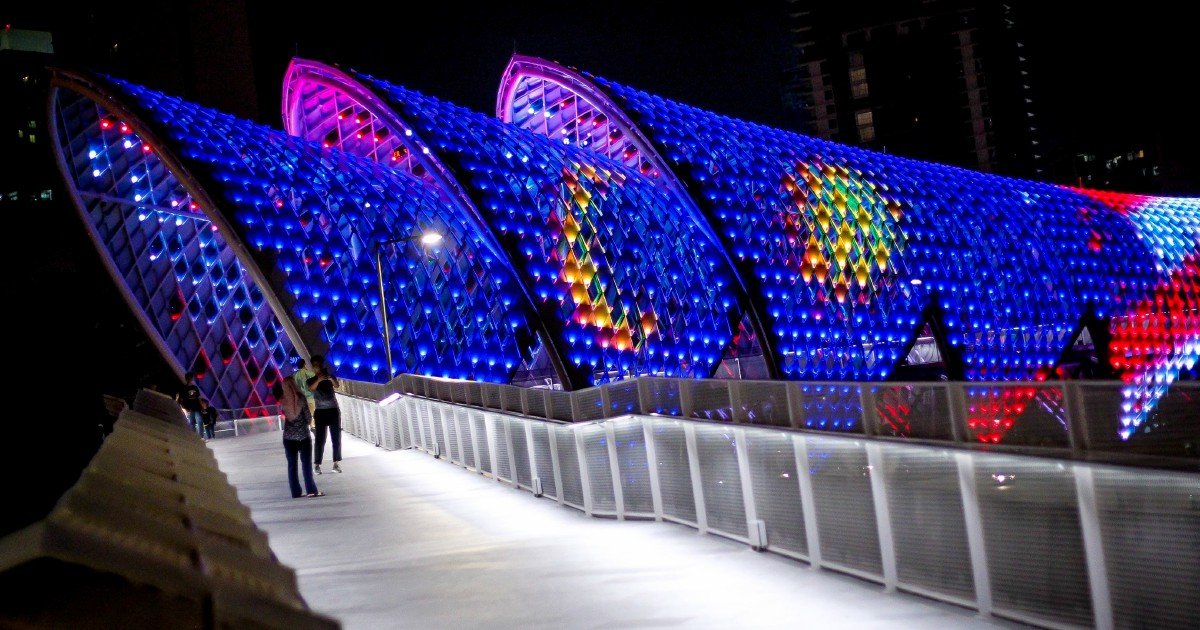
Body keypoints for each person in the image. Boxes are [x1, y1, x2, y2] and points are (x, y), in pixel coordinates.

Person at [274, 378, 322, 498]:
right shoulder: (300, 398)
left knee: (292, 465)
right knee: (306, 464)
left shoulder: (283, 401)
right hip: (303, 437)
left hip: (288, 438)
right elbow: (307, 418)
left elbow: (283, 414)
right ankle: (311, 490)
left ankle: (295, 492)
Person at [306, 355, 342, 474]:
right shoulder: (311, 380)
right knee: (320, 439)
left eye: (319, 365)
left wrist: (330, 379)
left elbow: (337, 385)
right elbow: (311, 388)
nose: (318, 368)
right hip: (320, 412)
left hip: (333, 410)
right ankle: (317, 465)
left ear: (322, 365)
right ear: (313, 367)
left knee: (336, 438)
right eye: (315, 366)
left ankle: (336, 463)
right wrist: (319, 379)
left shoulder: (329, 376)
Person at [176, 372, 204, 438]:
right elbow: (181, 399)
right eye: (189, 378)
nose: (190, 379)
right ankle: (194, 438)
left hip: (196, 407)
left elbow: (198, 397)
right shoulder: (183, 388)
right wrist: (184, 408)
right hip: (189, 409)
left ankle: (201, 437)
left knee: (199, 422)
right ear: (186, 379)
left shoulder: (195, 387)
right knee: (192, 424)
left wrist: (202, 406)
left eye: (190, 378)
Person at [292, 358, 317, 428]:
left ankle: (308, 426)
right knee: (313, 413)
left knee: (305, 413)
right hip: (310, 397)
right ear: (304, 364)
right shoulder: (309, 373)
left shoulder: (294, 375)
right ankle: (313, 426)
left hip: (301, 398)